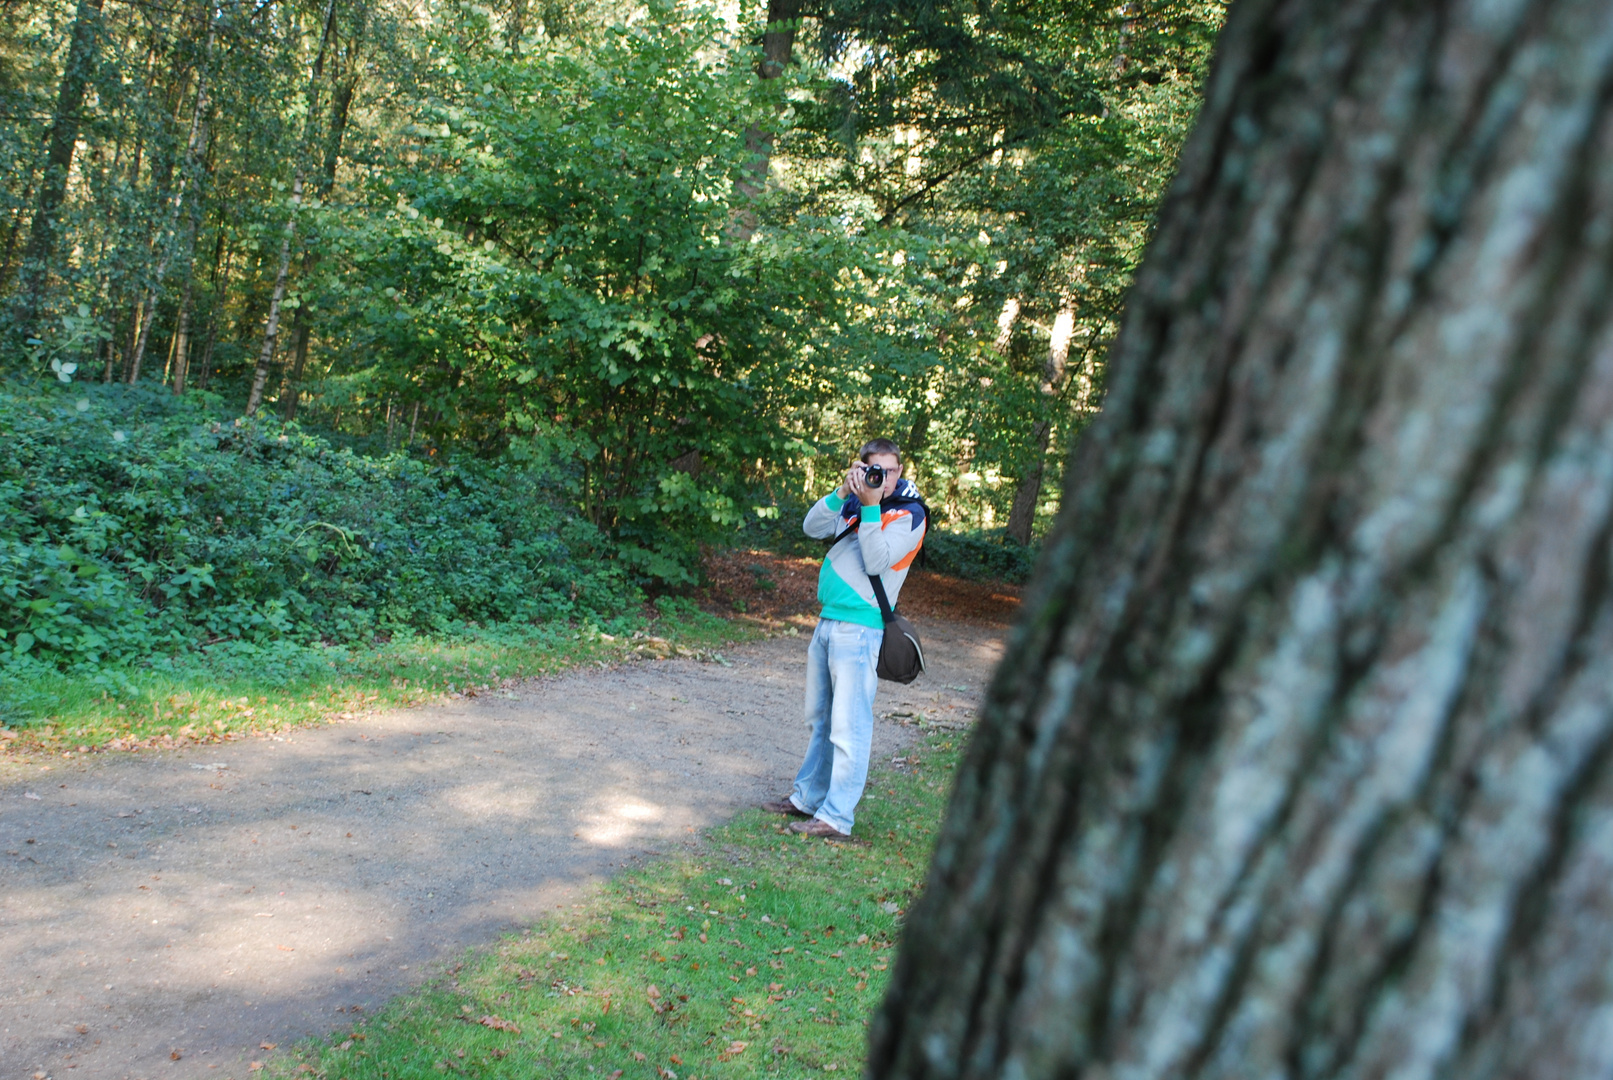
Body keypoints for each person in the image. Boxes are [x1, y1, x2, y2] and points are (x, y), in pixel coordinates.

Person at [762, 438, 927, 839]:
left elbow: (876, 560)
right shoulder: (854, 505)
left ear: (899, 472)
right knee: (820, 719)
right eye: (874, 470)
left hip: (862, 629)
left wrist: (871, 505)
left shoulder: (910, 514)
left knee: (849, 727)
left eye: (889, 471)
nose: (881, 479)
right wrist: (843, 491)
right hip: (828, 622)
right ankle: (807, 799)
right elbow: (811, 526)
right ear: (861, 468)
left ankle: (837, 817)